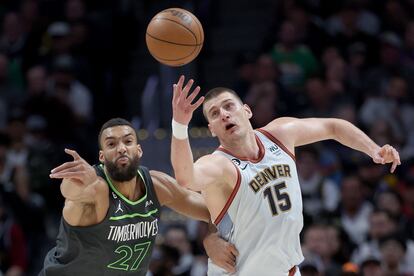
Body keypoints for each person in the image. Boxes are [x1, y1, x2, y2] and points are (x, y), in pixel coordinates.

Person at [170, 76, 401, 276]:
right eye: (215, 113)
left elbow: (333, 126)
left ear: (247, 111)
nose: (224, 115)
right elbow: (185, 178)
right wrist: (179, 126)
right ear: (211, 129)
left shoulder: (280, 134)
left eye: (229, 106)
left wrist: (374, 150)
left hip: (286, 269)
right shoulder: (218, 165)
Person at [39, 118, 235, 276]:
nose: (121, 148)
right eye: (111, 144)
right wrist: (80, 181)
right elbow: (71, 192)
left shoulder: (157, 186)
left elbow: (214, 212)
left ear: (139, 150)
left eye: (127, 141)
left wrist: (211, 238)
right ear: (101, 157)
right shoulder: (96, 189)